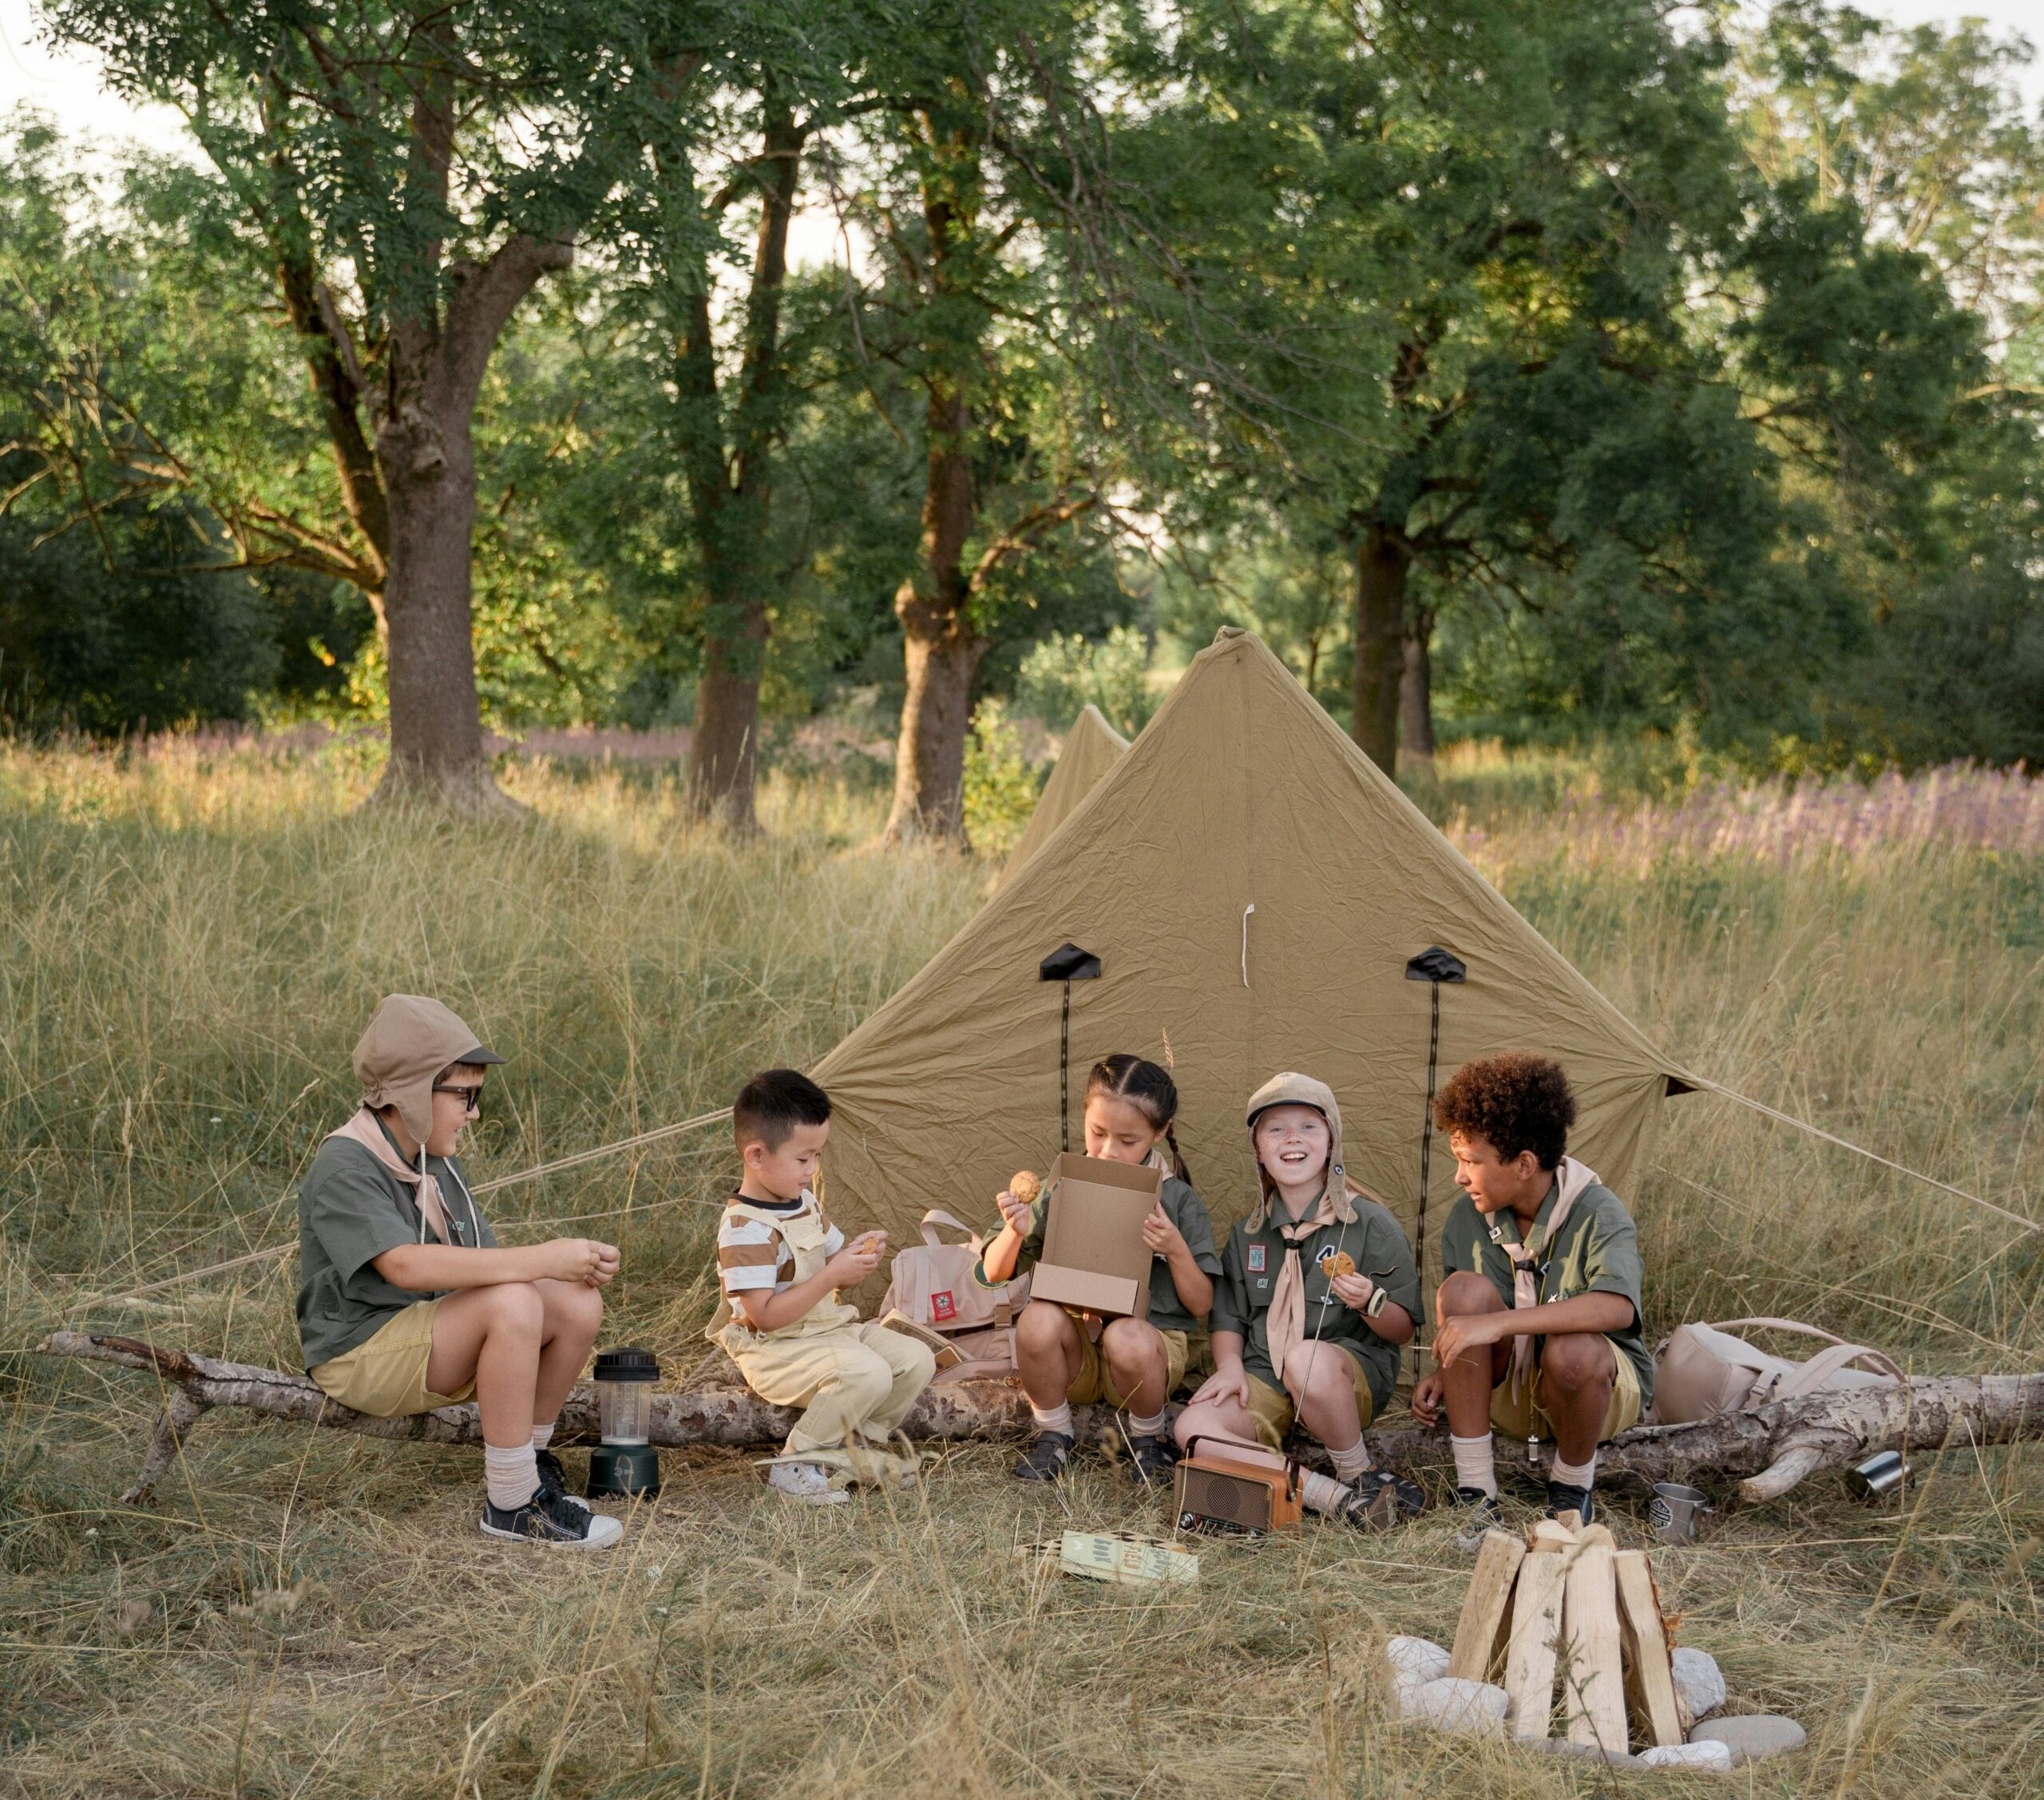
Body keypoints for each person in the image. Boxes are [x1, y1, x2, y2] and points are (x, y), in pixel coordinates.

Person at [298, 994, 622, 1548]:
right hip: (358, 1354)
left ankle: (529, 1465)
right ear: (412, 1091)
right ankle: (512, 1504)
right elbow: (404, 1265)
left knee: (576, 1300)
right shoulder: (344, 1163)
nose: (474, 1113)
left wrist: (567, 1269)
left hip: (427, 1336)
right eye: (465, 1095)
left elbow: (487, 1270)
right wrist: (543, 1258)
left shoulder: (436, 1162)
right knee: (515, 1300)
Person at [1409, 1052, 1654, 1535]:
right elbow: (1469, 1320)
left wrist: (1497, 1323)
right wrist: (1448, 1369)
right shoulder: (1467, 1216)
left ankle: (1571, 1487)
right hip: (1511, 1394)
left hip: (1589, 1393)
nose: (1459, 1176)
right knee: (1463, 1292)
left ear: (1524, 1164)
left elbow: (1617, 1308)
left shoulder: (1598, 1211)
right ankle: (1476, 1491)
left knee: (1574, 1350)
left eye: (1471, 1161)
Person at [1173, 1072, 1426, 1529]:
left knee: (1306, 1360)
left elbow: (1403, 1329)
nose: (1292, 1139)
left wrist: (1370, 1302)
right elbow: (1229, 1316)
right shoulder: (1249, 1233)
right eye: (1276, 1129)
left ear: (1332, 1142)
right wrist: (1229, 1367)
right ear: (1258, 1150)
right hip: (1265, 1375)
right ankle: (1340, 1500)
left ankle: (1358, 1471)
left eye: (1308, 1127)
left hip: (1340, 1379)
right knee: (1191, 1428)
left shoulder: (1369, 1224)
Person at [975, 1054, 1222, 1485]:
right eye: (1097, 1133)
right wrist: (1014, 1231)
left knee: (1128, 1335)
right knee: (1036, 1319)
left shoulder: (1178, 1201)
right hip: (1075, 1356)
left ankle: (1148, 1438)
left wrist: (1175, 1249)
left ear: (1160, 1132)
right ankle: (1054, 1433)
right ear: (1084, 1118)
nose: (1108, 1151)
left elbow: (1202, 1304)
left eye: (1128, 1140)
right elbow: (993, 1274)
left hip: (1146, 1358)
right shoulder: (1061, 1186)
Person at [711, 1068, 937, 1505]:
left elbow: (831, 1259)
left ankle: (854, 1451)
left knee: (916, 1359)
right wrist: (832, 1277)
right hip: (776, 1348)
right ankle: (794, 1464)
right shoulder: (745, 1228)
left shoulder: (805, 1202)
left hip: (827, 1330)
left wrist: (856, 1256)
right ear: (756, 1156)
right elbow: (766, 1316)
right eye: (803, 1159)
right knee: (866, 1372)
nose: (813, 1169)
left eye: (817, 1155)